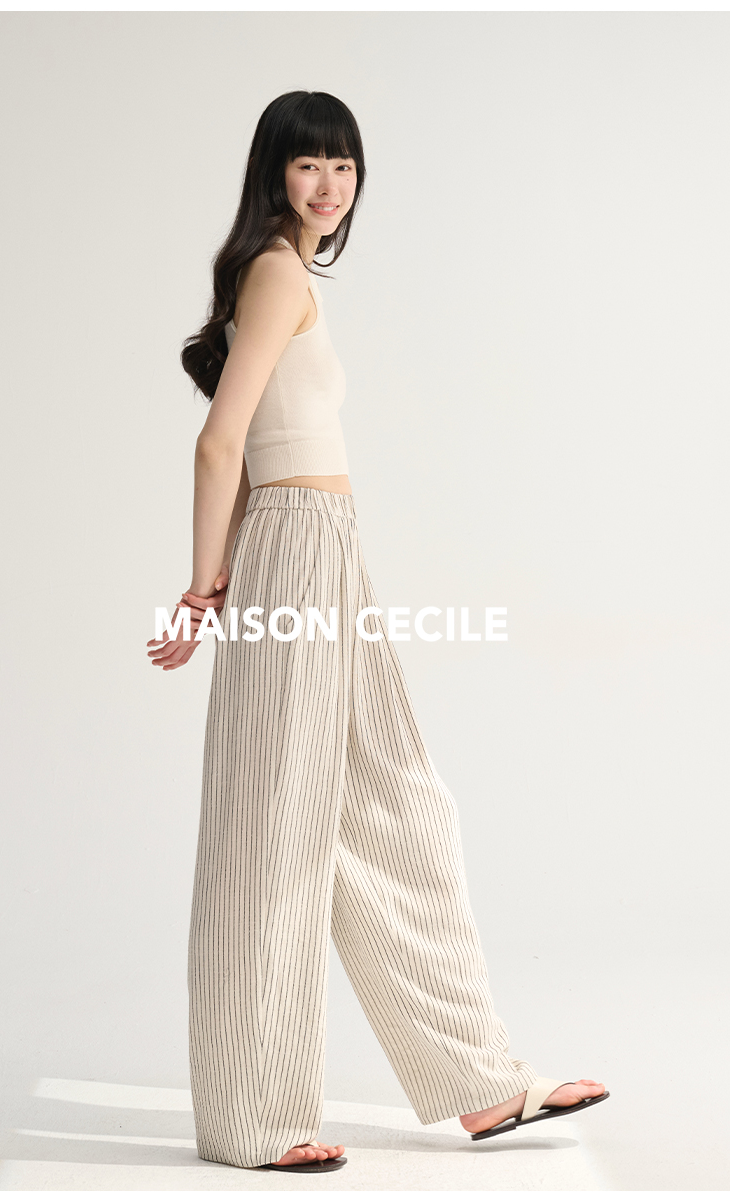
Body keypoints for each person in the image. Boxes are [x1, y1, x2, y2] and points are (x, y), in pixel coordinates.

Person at [147, 90, 608, 1175]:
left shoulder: (283, 275)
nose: (328, 185)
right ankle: (254, 1118)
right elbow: (220, 445)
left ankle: (479, 1079)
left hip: (319, 550)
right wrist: (202, 588)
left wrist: (222, 581)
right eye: (308, 164)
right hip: (297, 547)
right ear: (274, 173)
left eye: (343, 166)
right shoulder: (276, 271)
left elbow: (247, 449)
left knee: (392, 804)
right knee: (276, 828)